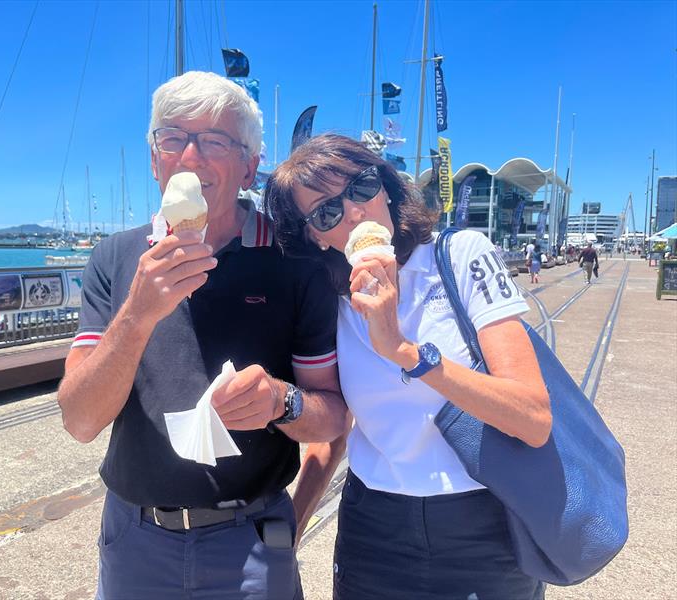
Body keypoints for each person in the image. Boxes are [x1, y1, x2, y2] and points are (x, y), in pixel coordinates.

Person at [58, 71, 348, 600]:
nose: (189, 157)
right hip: (135, 541)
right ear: (154, 159)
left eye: (214, 141)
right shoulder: (117, 259)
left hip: (254, 541)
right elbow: (79, 420)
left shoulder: (294, 265)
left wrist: (281, 402)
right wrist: (139, 314)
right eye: (172, 138)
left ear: (249, 167)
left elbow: (332, 419)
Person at [265, 134, 551, 600]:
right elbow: (336, 428)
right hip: (374, 531)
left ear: (385, 187)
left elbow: (534, 419)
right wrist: (293, 524)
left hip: (483, 526)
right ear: (315, 237)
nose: (354, 212)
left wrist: (403, 350)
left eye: (360, 188)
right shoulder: (329, 300)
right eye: (326, 212)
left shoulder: (460, 257)